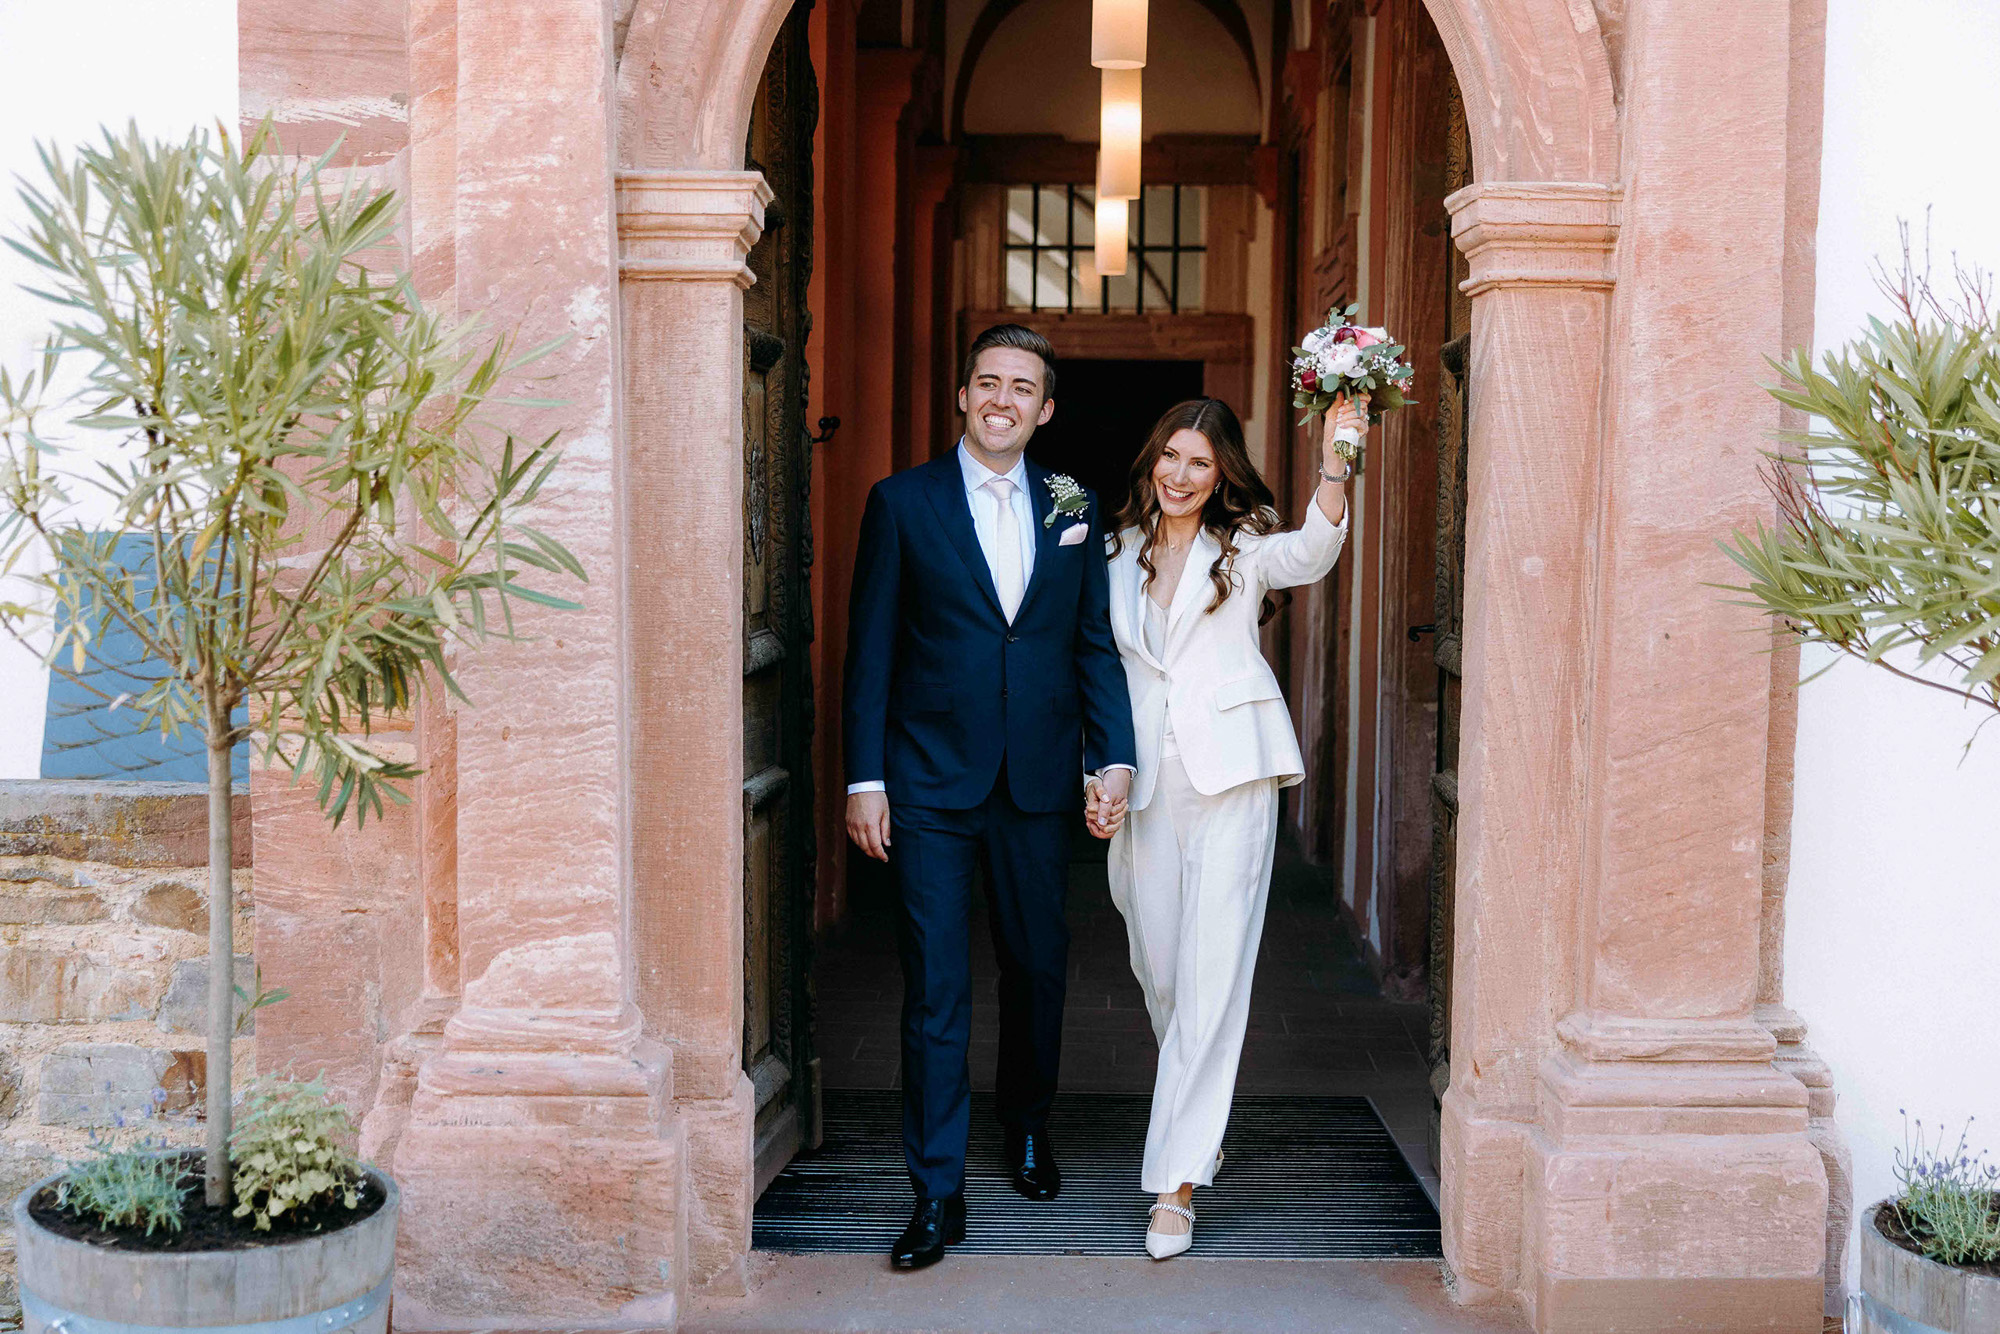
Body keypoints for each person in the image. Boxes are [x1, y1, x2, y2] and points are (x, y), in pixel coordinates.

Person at [843, 324, 1138, 1270]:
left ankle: (1026, 1127)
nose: (1003, 399)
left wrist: (1114, 757)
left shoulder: (1072, 502)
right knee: (934, 987)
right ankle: (935, 1190)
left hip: (1039, 777)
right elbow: (872, 651)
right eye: (987, 383)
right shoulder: (902, 503)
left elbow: (1092, 642)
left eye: (1023, 388)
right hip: (928, 779)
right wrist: (865, 777)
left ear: (1045, 409)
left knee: (1037, 966)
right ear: (963, 397)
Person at [1085, 394, 1362, 1259]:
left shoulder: (1243, 552)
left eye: (1199, 463)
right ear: (1150, 461)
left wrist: (1339, 454)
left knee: (1211, 975)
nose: (1179, 475)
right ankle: (1198, 1117)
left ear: (1222, 475)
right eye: (1170, 456)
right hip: (1147, 784)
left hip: (1234, 777)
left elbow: (1314, 550)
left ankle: (1176, 1186)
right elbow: (1097, 676)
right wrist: (1097, 772)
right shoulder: (1110, 553)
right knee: (1159, 966)